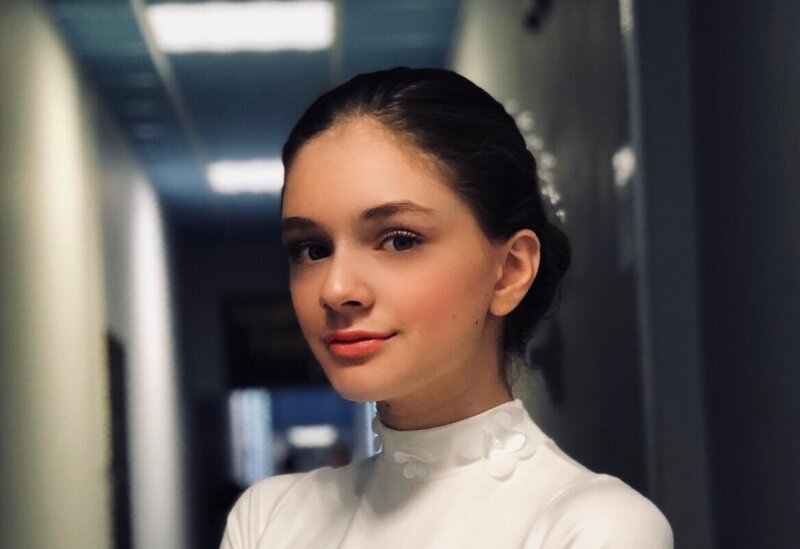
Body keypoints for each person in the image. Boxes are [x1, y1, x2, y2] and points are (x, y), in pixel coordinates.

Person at [221, 67, 672, 548]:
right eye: (312, 249)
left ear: (509, 271)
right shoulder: (270, 517)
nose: (335, 289)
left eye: (399, 240)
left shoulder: (597, 526)